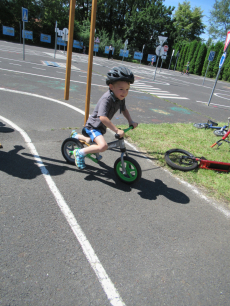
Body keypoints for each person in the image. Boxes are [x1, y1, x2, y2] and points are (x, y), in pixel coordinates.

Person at [71, 66, 138, 169]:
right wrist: (116, 130)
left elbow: (124, 110)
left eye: (127, 89)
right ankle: (80, 153)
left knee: (90, 141)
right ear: (111, 87)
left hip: (100, 127)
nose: (124, 92)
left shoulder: (120, 98)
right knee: (103, 146)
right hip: (93, 126)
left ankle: (76, 136)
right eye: (121, 89)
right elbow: (102, 117)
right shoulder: (106, 99)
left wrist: (131, 121)